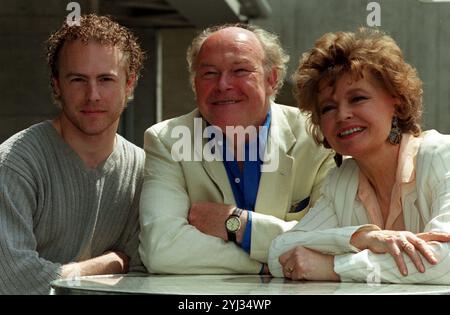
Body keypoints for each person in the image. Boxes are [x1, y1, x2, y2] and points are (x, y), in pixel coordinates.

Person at [139, 23, 335, 274]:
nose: (223, 85)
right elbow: (161, 250)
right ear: (194, 83)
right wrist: (266, 264)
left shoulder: (318, 135)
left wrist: (238, 225)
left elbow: (333, 240)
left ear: (272, 79)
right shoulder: (167, 140)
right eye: (209, 73)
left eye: (240, 70)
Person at [268, 28, 450, 284]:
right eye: (328, 108)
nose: (342, 115)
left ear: (396, 103)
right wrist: (361, 238)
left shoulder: (442, 156)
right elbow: (279, 253)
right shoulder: (341, 181)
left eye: (358, 98)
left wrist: (334, 267)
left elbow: (446, 263)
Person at [0, 14, 145, 294]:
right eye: (78, 79)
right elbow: (14, 281)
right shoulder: (14, 165)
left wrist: (56, 274)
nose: (93, 95)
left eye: (106, 79)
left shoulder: (142, 170)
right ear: (57, 85)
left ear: (129, 84)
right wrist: (114, 262)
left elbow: (145, 273)